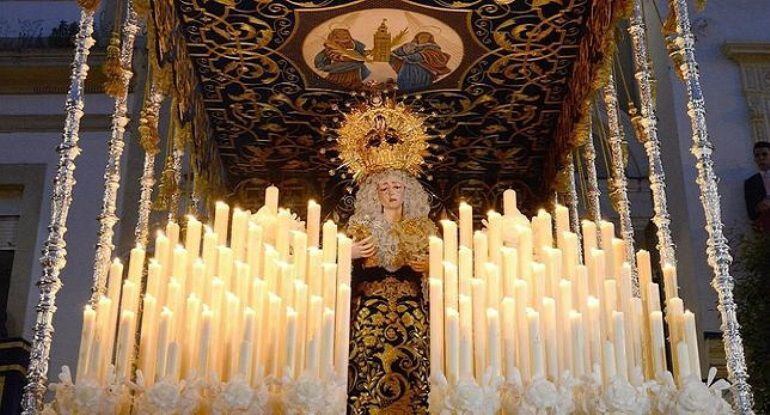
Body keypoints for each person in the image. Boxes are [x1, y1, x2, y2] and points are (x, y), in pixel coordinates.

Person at [345, 169, 436, 414]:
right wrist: (346, 252)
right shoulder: (361, 226)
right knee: (367, 358)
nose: (391, 192)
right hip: (369, 311)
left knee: (415, 357)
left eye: (396, 186)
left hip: (411, 311)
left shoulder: (423, 229)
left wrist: (431, 266)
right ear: (375, 195)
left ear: (407, 191)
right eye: (384, 188)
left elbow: (443, 267)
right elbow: (339, 267)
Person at [745, 141, 770, 232]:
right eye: (757, 156)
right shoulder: (750, 183)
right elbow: (751, 213)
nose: (761, 158)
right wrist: (758, 207)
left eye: (764, 154)